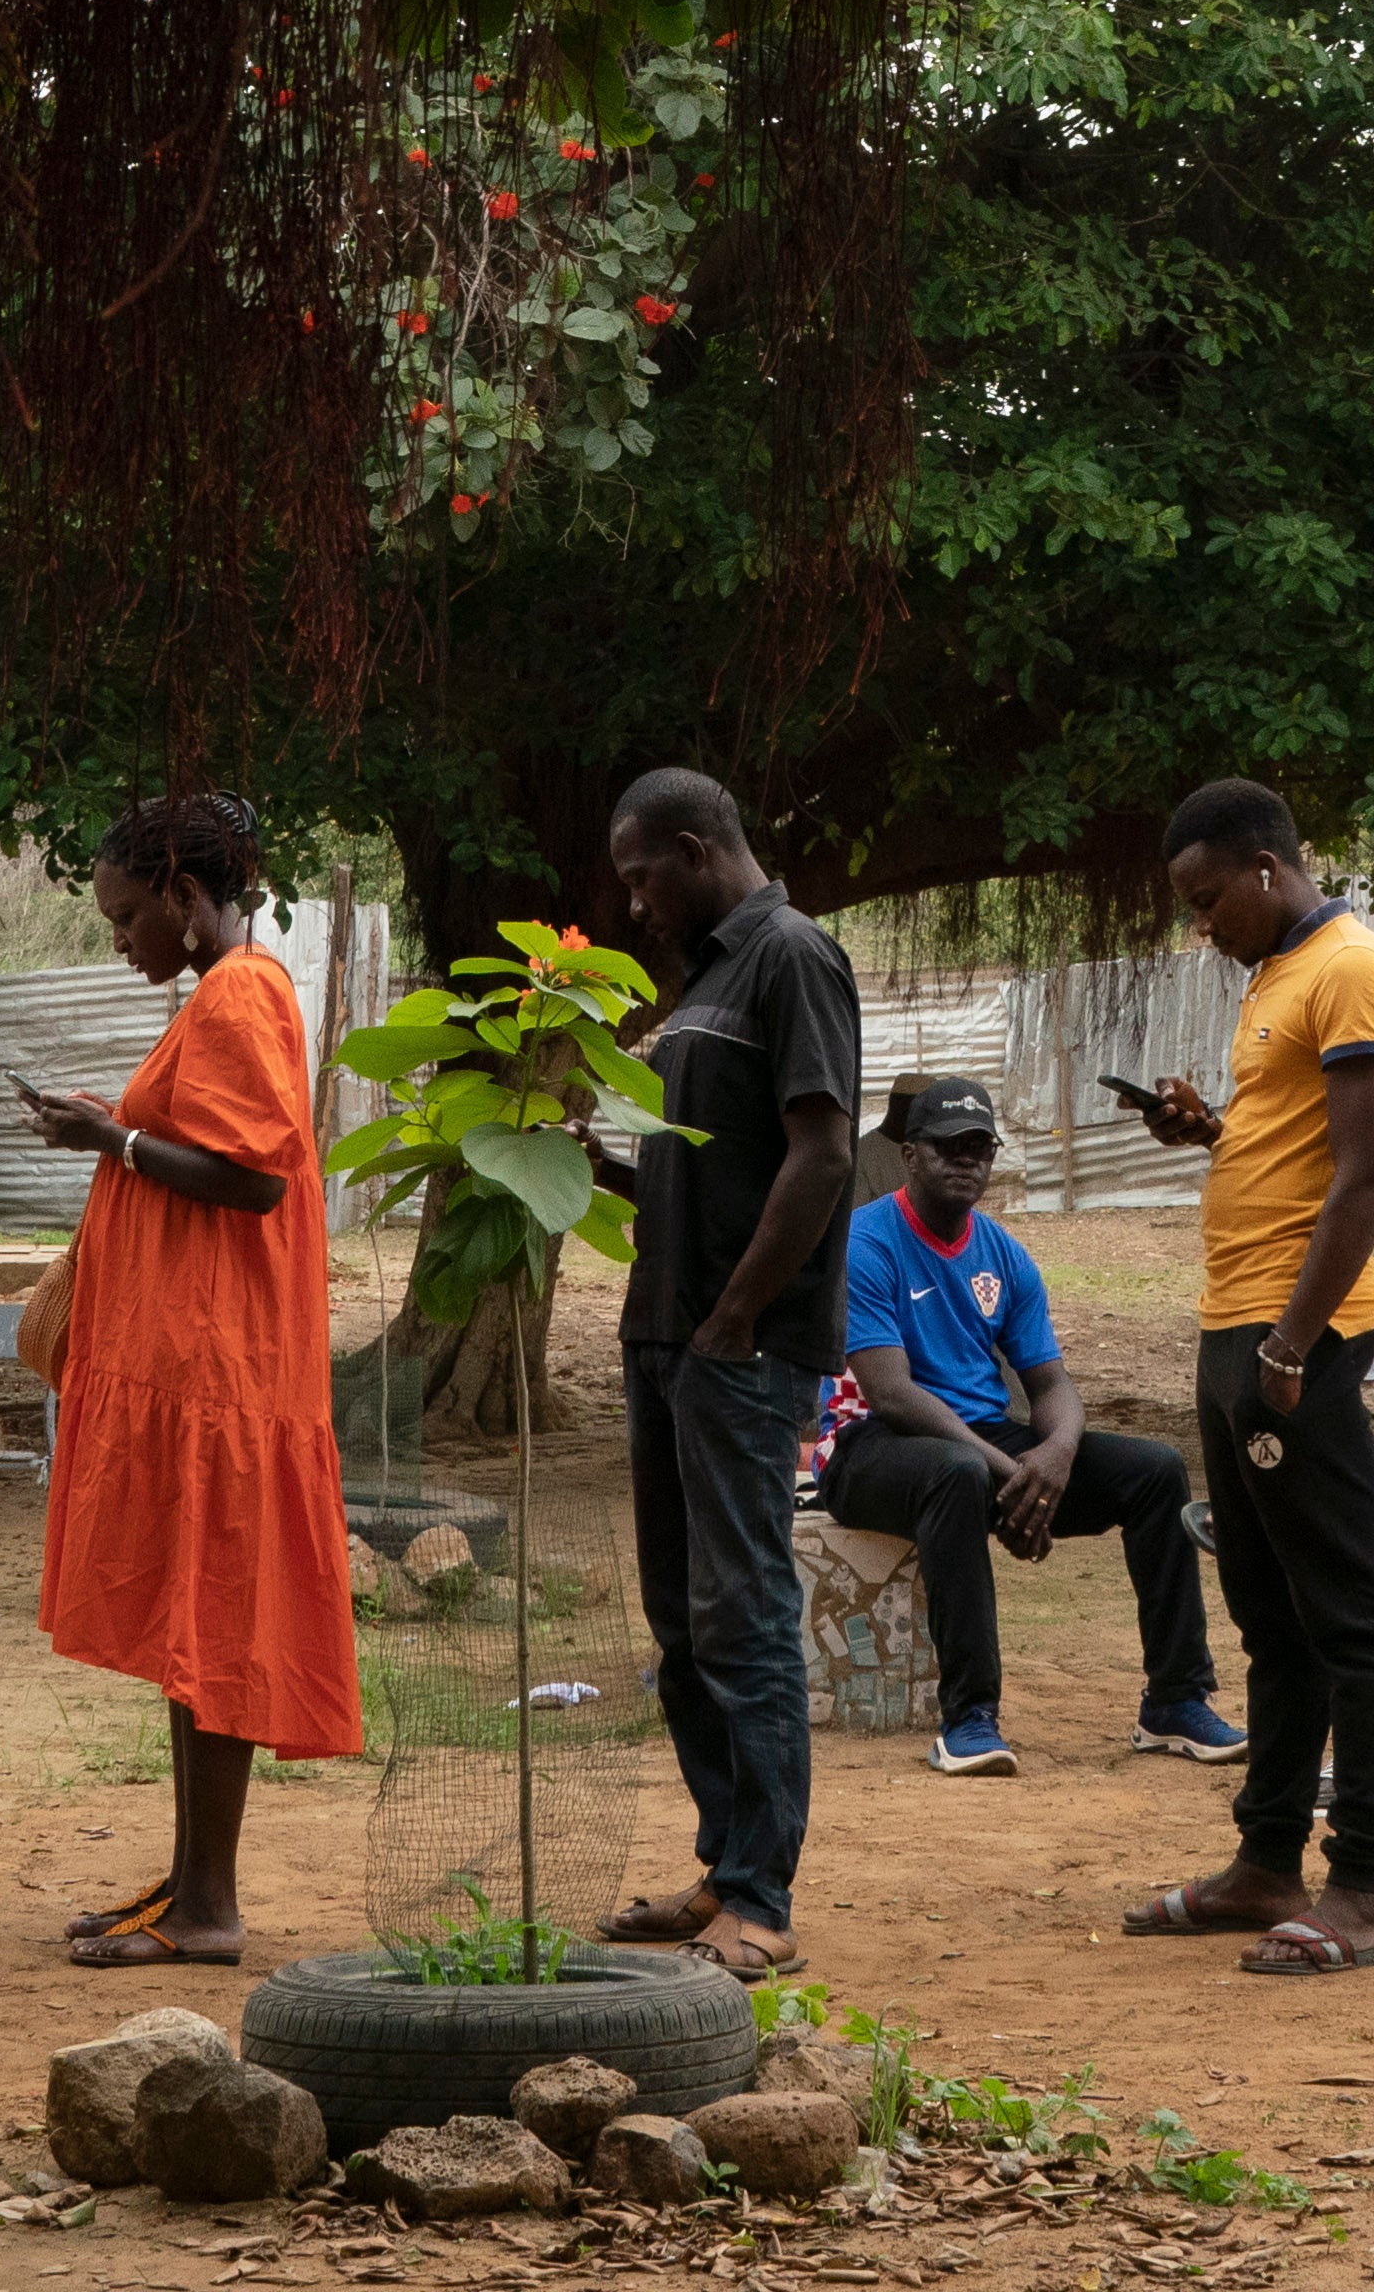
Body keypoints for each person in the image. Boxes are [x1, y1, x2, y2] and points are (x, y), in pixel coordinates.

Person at [21, 791, 361, 1961]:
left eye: (125, 916)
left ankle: (209, 1908)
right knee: (191, 1622)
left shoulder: (244, 990)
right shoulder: (222, 992)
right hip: (199, 1365)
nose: (119, 940)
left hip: (227, 1369)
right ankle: (185, 1884)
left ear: (180, 892)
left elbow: (254, 1179)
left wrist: (101, 1137)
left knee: (213, 1620)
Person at [1119, 779, 1374, 1975]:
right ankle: (1265, 1860)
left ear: (1263, 866)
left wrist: (1292, 1346)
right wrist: (1212, 1131)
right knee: (1269, 1613)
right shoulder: (1275, 975)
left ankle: (1362, 1887)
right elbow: (1295, 1143)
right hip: (1234, 1324)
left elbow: (1364, 1178)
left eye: (1206, 901)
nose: (1201, 926)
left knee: (1347, 1608)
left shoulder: (1353, 968)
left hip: (1298, 1335)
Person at [592, 767, 859, 1976]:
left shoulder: (792, 957)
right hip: (669, 1341)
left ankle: (763, 1896)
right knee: (680, 1620)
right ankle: (721, 1864)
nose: (635, 905)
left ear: (697, 850)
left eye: (643, 877)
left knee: (744, 1615)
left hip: (739, 1350)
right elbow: (699, 1178)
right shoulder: (703, 984)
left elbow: (824, 1154)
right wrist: (584, 1162)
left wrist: (740, 1316)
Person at [823, 1075, 1232, 1775]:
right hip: (868, 1449)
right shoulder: (867, 1241)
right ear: (911, 1153)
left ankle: (1175, 1699)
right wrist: (1013, 1473)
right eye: (950, 1146)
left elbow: (1050, 1383)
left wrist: (1055, 1459)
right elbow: (890, 1394)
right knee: (954, 1474)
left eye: (980, 1147)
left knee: (1156, 1472)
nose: (967, 1161)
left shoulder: (1004, 1253)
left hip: (980, 1442)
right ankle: (970, 1720)